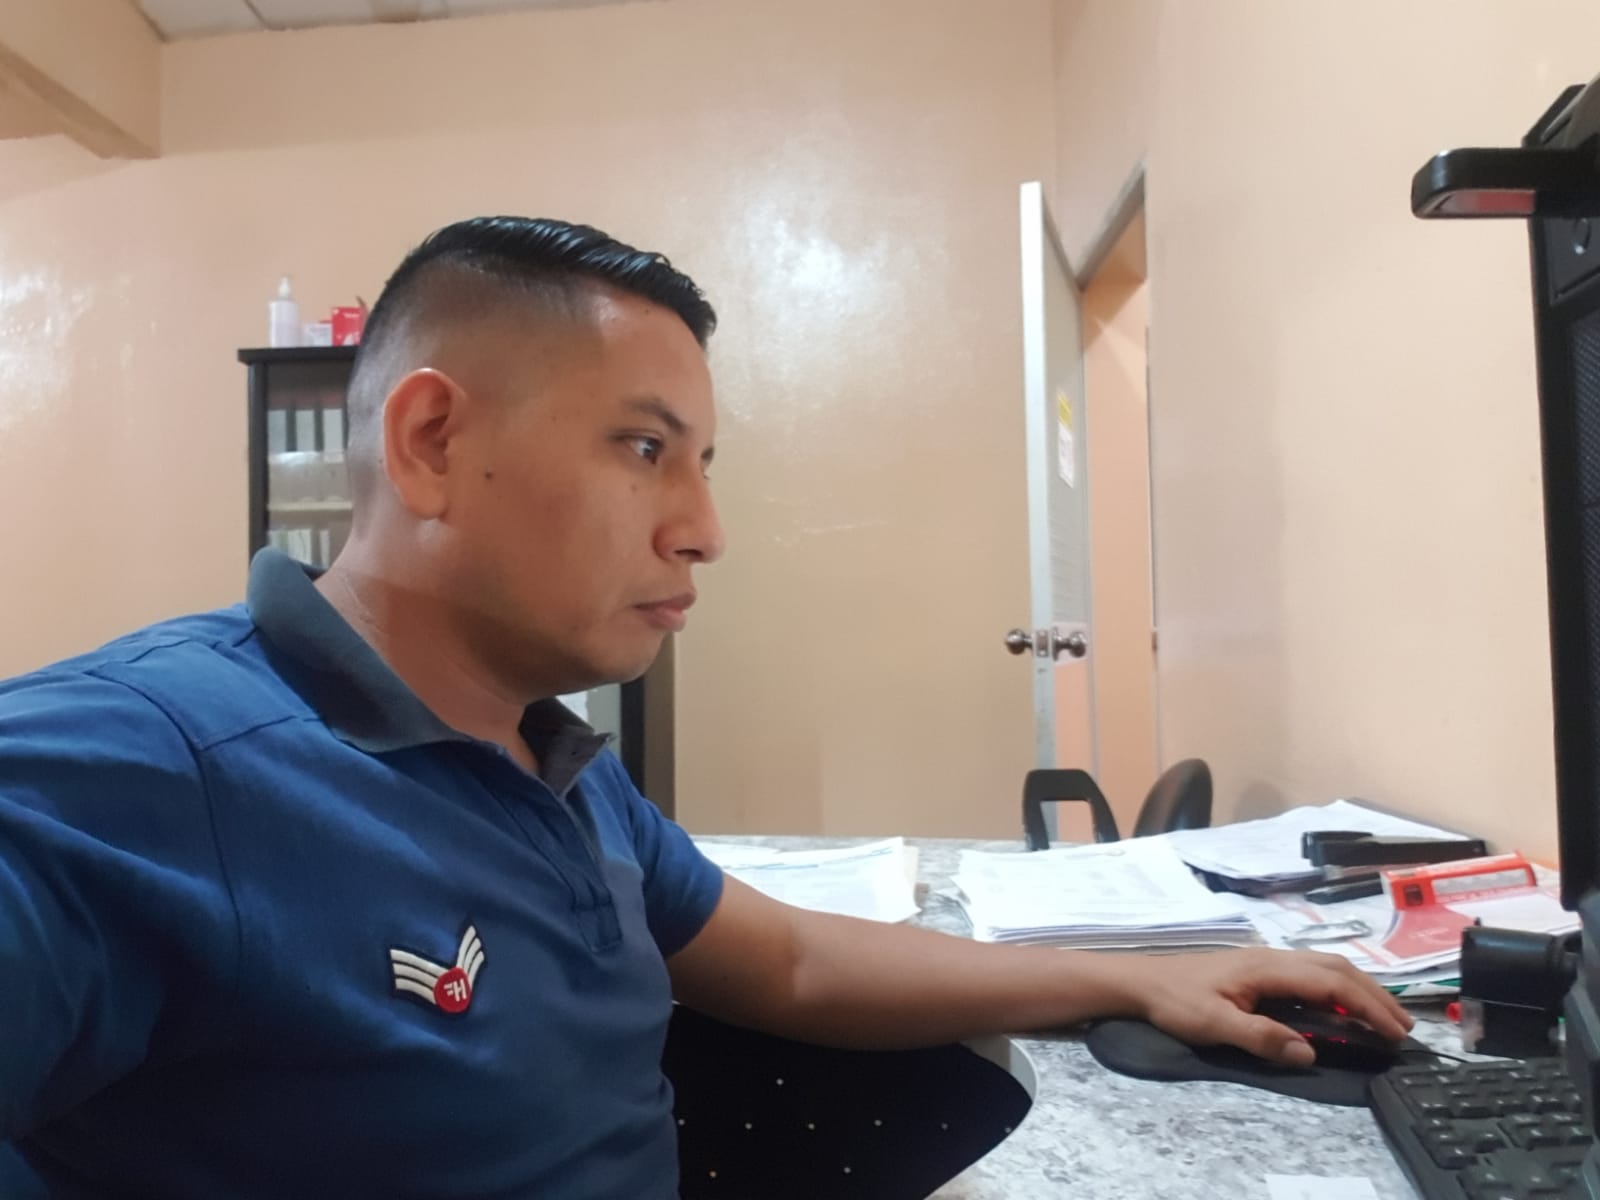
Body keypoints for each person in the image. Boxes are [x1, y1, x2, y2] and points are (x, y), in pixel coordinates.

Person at [0, 215, 1411, 1198]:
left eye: (702, 463)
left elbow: (785, 962)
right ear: (430, 442)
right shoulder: (134, 766)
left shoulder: (550, 752)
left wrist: (1141, 974)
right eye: (642, 448)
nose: (703, 529)